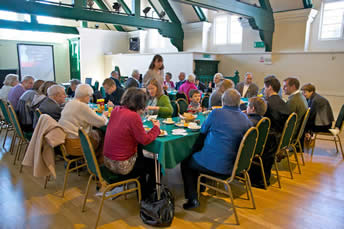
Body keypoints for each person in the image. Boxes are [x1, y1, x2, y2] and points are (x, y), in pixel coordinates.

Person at [181, 89, 252, 210]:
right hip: (235, 166)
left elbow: (203, 132)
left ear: (223, 101)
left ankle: (192, 198)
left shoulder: (216, 113)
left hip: (218, 166)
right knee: (201, 155)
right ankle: (201, 186)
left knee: (186, 162)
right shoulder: (246, 119)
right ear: (239, 103)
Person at [103, 88, 160, 198]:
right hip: (121, 165)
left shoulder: (116, 110)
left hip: (108, 161)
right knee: (156, 164)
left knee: (141, 156)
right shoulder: (133, 116)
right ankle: (147, 195)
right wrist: (156, 128)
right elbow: (144, 140)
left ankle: (142, 190)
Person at [249, 75, 290, 188]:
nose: (264, 90)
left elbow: (258, 123)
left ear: (270, 88)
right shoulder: (284, 103)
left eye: (265, 88)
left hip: (267, 143)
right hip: (278, 140)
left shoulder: (268, 104)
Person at [59, 84, 108, 158]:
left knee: (95, 132)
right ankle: (97, 161)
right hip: (77, 145)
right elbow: (102, 122)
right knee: (102, 134)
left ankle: (92, 159)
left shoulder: (69, 103)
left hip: (65, 143)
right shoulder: (82, 107)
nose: (90, 99)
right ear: (86, 96)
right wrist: (104, 115)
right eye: (90, 96)